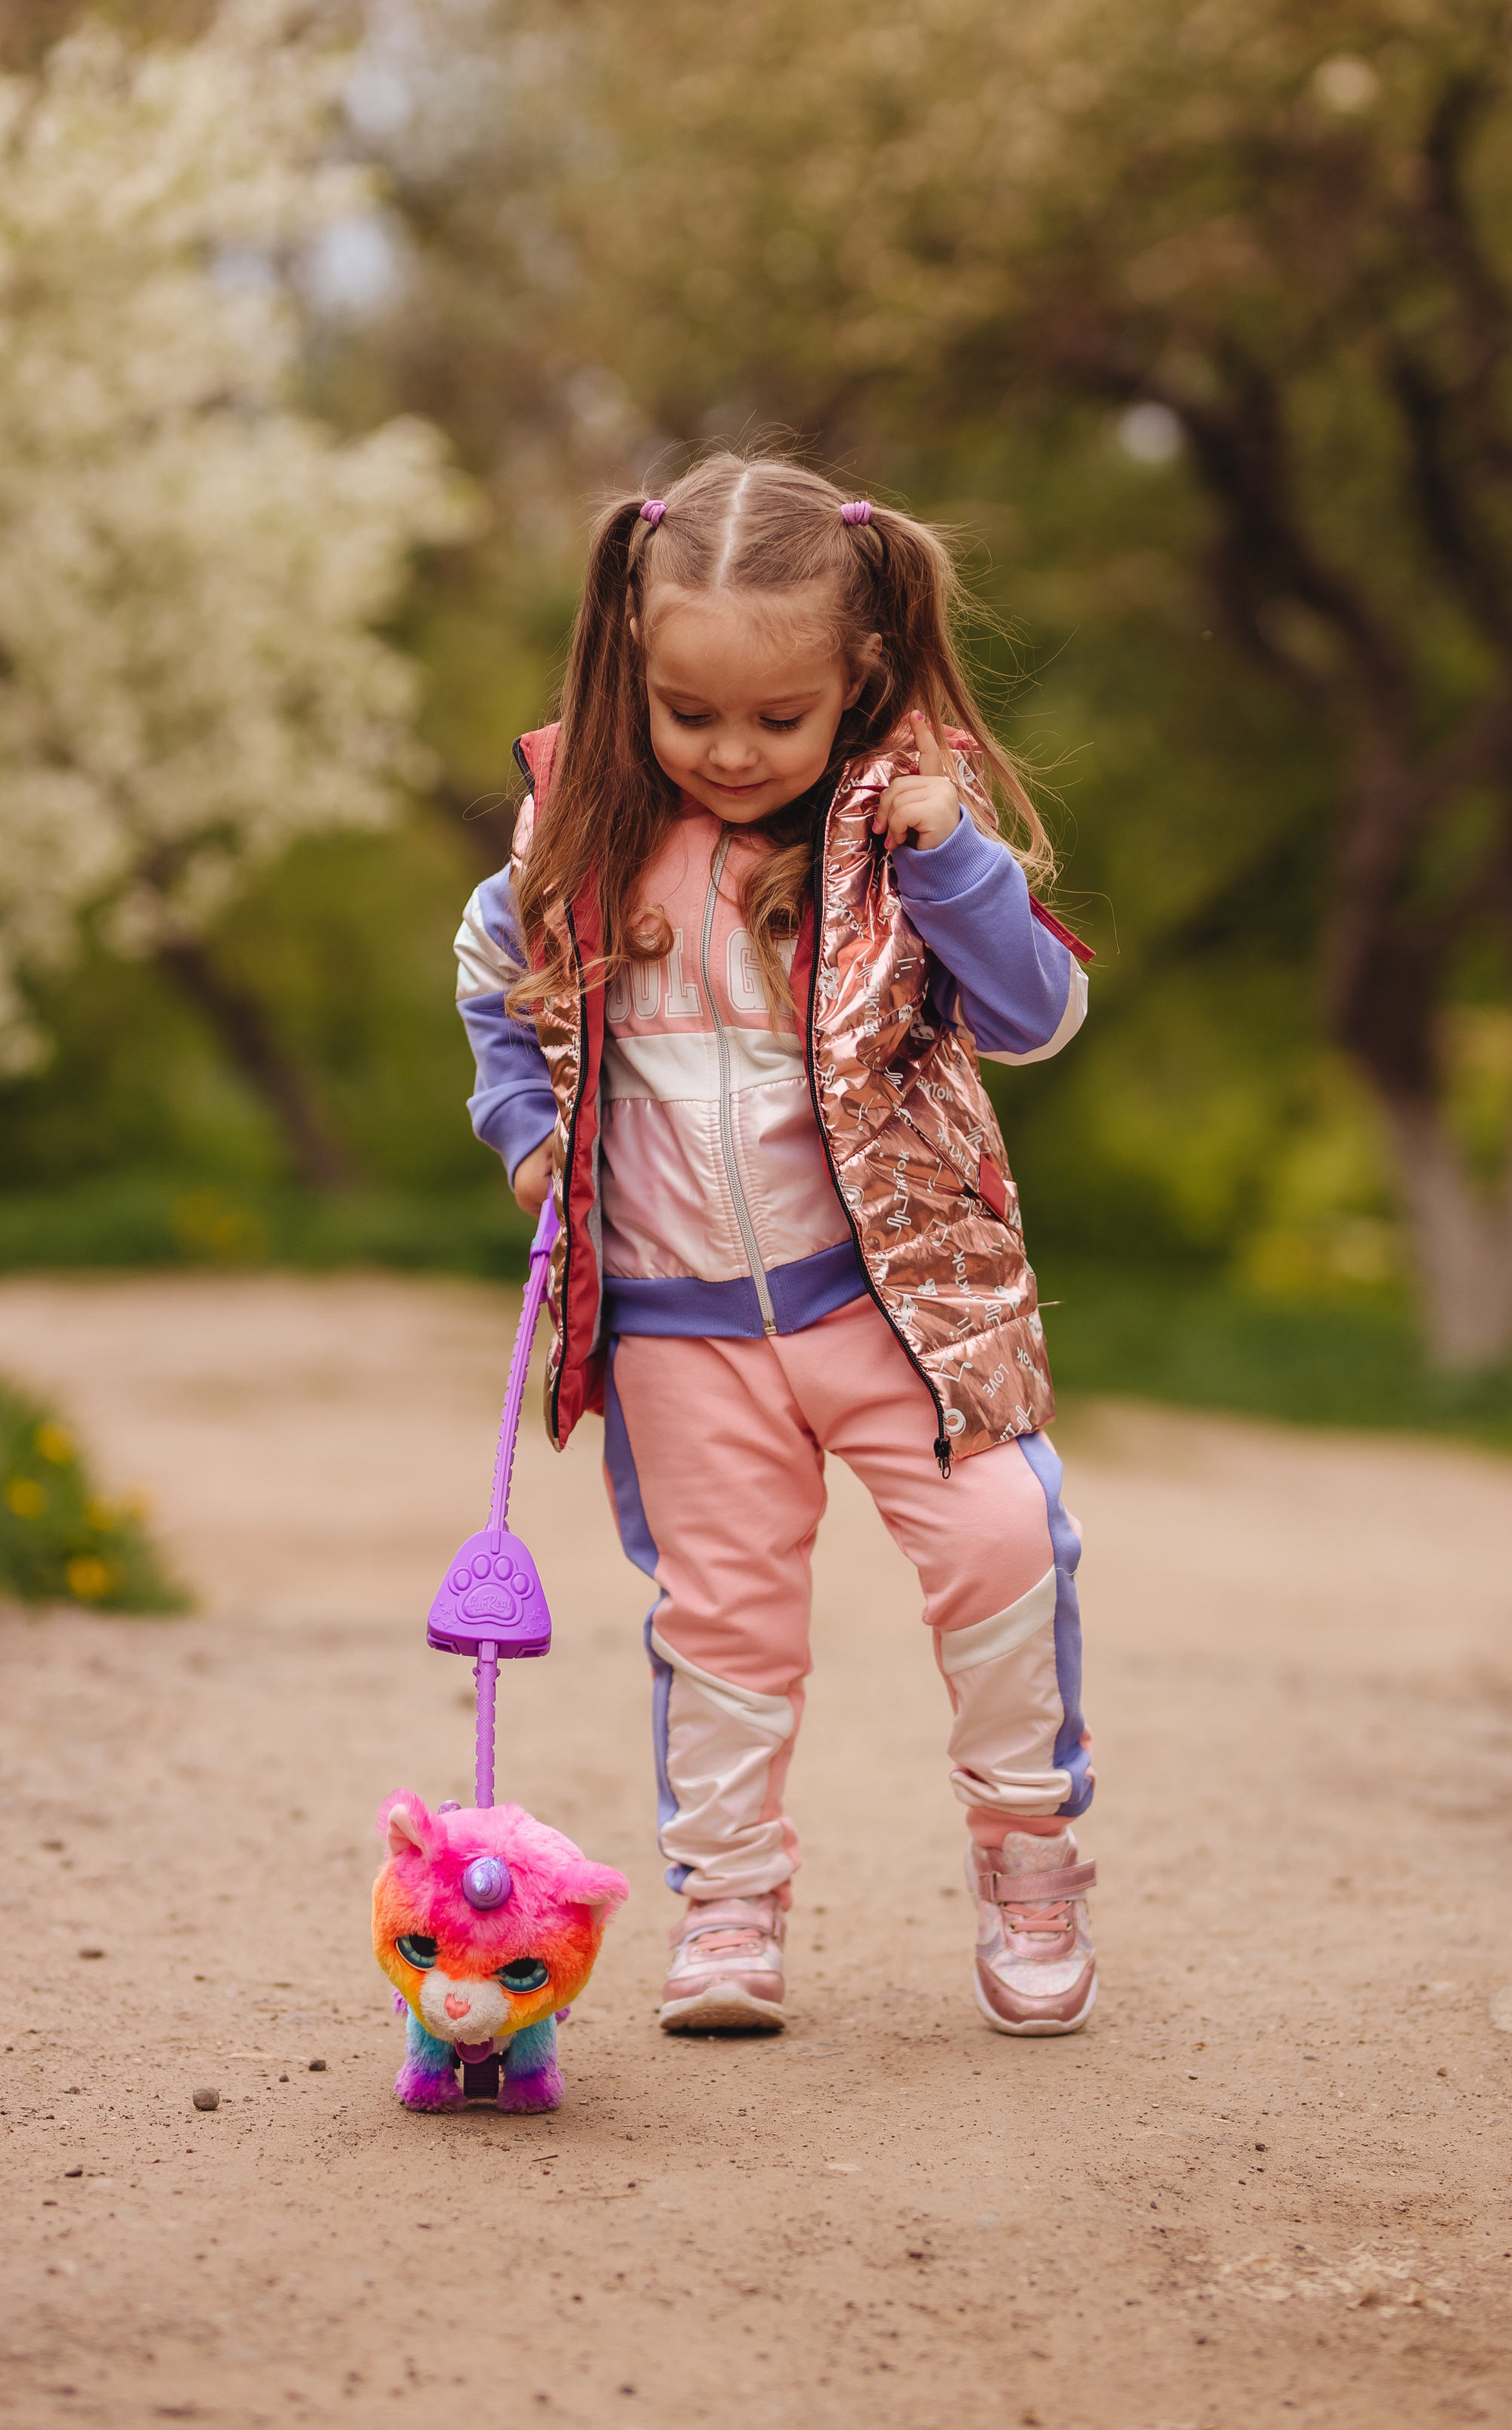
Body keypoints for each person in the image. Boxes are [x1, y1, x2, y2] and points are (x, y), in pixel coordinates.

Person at [453, 452, 1096, 2040]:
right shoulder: (576, 838)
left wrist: (954, 860)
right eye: (689, 714)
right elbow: (486, 970)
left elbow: (1038, 1014)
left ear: (852, 682)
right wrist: (525, 1128)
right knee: (721, 1618)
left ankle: (1027, 1854)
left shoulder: (900, 841)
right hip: (678, 1328)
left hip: (891, 1311)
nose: (728, 753)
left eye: (774, 720)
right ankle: (727, 1902)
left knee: (1004, 1543)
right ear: (634, 668)